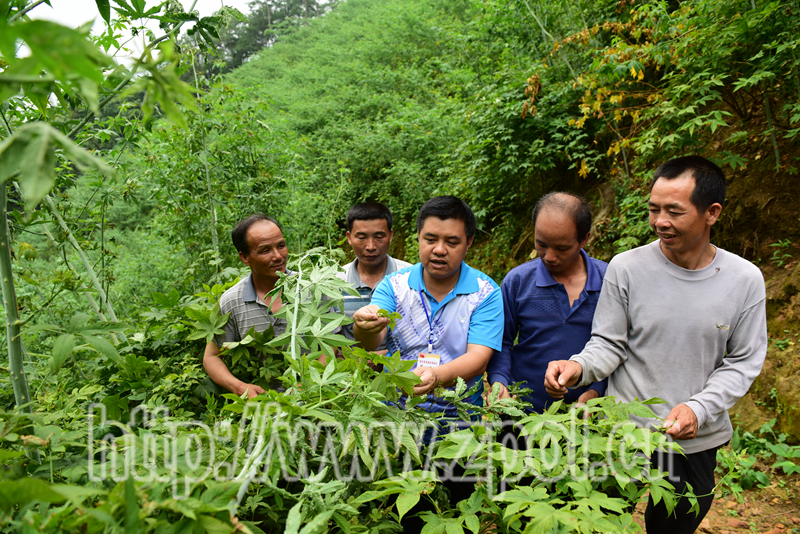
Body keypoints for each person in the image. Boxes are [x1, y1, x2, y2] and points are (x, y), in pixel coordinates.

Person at [544, 156, 767, 534]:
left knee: (673, 527)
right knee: (600, 523)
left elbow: (744, 360)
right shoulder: (627, 267)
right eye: (654, 209)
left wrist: (699, 408)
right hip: (621, 432)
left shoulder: (744, 279)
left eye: (674, 211)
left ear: (712, 213)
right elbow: (608, 343)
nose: (660, 221)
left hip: (694, 440)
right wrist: (578, 367)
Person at [352, 195, 503, 414]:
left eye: (452, 242)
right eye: (430, 239)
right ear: (418, 236)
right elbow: (371, 339)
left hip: (459, 413)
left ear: (469, 242)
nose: (439, 250)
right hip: (397, 412)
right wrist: (365, 324)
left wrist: (436, 376)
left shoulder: (485, 293)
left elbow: (478, 358)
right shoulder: (394, 285)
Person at [487, 192, 608, 412]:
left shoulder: (608, 281)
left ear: (584, 239)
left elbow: (615, 345)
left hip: (587, 415)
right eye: (541, 244)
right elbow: (502, 342)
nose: (549, 256)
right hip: (522, 412)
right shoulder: (518, 282)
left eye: (562, 248)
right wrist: (499, 382)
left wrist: (596, 391)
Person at [203, 214, 289, 398]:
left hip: (315, 400)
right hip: (261, 406)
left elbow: (331, 342)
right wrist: (239, 387)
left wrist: (310, 385)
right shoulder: (231, 301)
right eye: (265, 250)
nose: (278, 256)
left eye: (281, 246)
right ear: (244, 257)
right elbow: (211, 357)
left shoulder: (310, 288)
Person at [338, 202, 411, 347]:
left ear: (390, 236)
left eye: (379, 236)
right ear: (349, 237)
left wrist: (383, 356)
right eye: (361, 237)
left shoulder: (410, 278)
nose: (370, 246)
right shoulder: (335, 282)